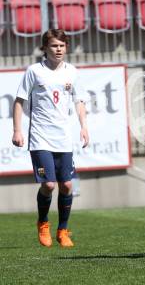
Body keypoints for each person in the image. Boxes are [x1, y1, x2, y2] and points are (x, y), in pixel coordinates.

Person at [12, 29, 89, 248]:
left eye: (62, 46)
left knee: (66, 184)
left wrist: (84, 127)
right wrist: (17, 130)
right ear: (45, 48)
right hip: (40, 137)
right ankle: (43, 222)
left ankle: (63, 230)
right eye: (54, 45)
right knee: (49, 184)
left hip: (63, 137)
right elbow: (19, 101)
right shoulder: (34, 71)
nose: (58, 49)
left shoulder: (72, 72)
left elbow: (79, 101)